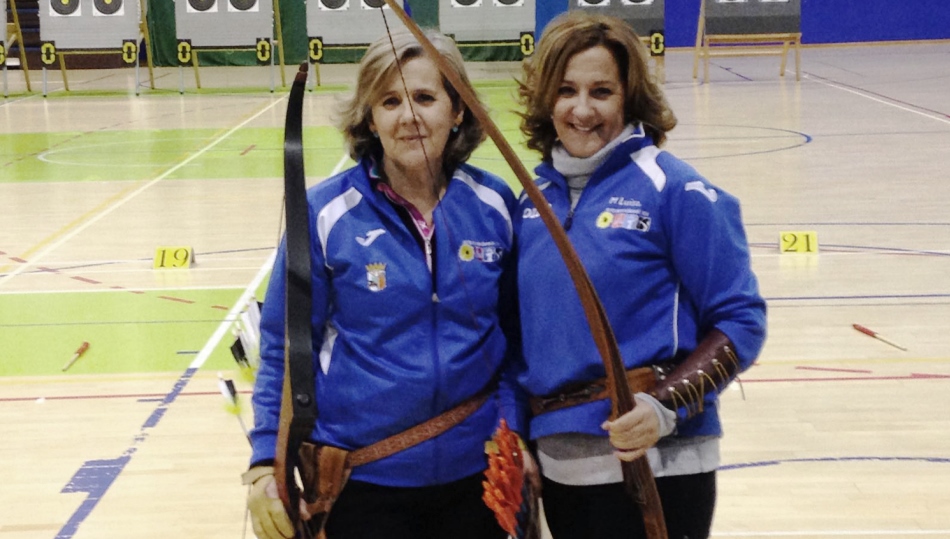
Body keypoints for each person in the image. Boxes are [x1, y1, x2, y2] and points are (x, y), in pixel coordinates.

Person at [243, 30, 525, 539]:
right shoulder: (325, 214)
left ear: (457, 110)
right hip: (364, 482)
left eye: (425, 97)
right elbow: (285, 347)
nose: (408, 116)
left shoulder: (496, 205)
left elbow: (516, 338)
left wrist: (515, 425)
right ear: (370, 119)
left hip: (478, 476)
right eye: (390, 102)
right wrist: (267, 460)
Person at [514, 10, 767, 539]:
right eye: (565, 90)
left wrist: (663, 406)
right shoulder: (529, 202)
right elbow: (517, 340)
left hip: (662, 461)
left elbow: (740, 320)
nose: (582, 109)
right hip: (563, 467)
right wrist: (519, 436)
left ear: (629, 98)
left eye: (602, 91)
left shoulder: (676, 189)